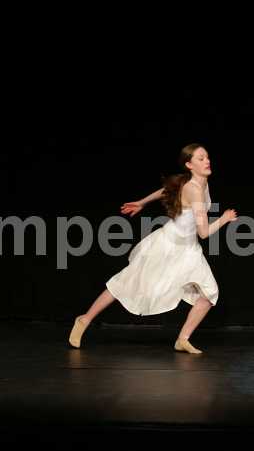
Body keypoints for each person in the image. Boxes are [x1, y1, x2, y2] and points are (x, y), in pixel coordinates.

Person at [68, 143, 238, 354]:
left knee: (209, 294)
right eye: (201, 158)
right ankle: (84, 320)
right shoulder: (194, 189)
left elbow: (166, 189)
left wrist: (142, 202)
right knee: (126, 281)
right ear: (189, 164)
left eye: (207, 157)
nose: (207, 161)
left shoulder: (197, 182)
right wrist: (224, 219)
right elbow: (203, 233)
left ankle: (182, 339)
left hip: (188, 250)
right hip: (167, 245)